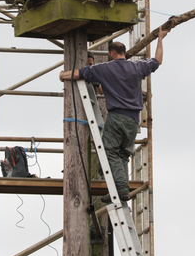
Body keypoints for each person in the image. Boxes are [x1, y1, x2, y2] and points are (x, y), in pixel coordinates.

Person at [59, 26, 169, 203]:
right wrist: (161, 39)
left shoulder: (105, 69)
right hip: (134, 120)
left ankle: (119, 188)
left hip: (117, 116)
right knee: (122, 155)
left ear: (111, 53)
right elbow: (157, 61)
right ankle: (121, 191)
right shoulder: (137, 67)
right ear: (124, 53)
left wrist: (63, 74)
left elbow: (81, 73)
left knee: (109, 151)